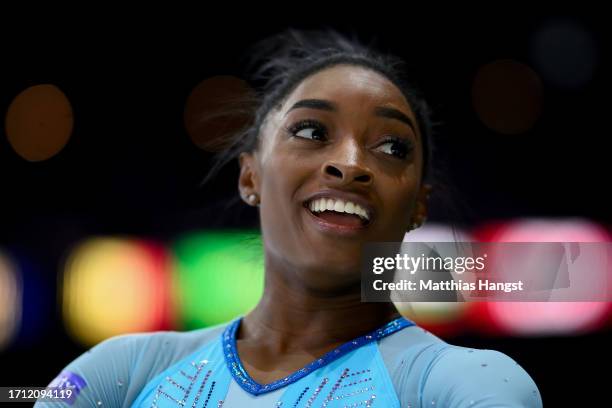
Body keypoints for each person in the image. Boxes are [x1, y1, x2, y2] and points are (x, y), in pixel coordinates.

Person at [36, 29, 543, 407]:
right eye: (311, 131)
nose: (349, 164)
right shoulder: (124, 371)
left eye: (391, 146)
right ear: (250, 177)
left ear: (418, 207)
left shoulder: (460, 383)